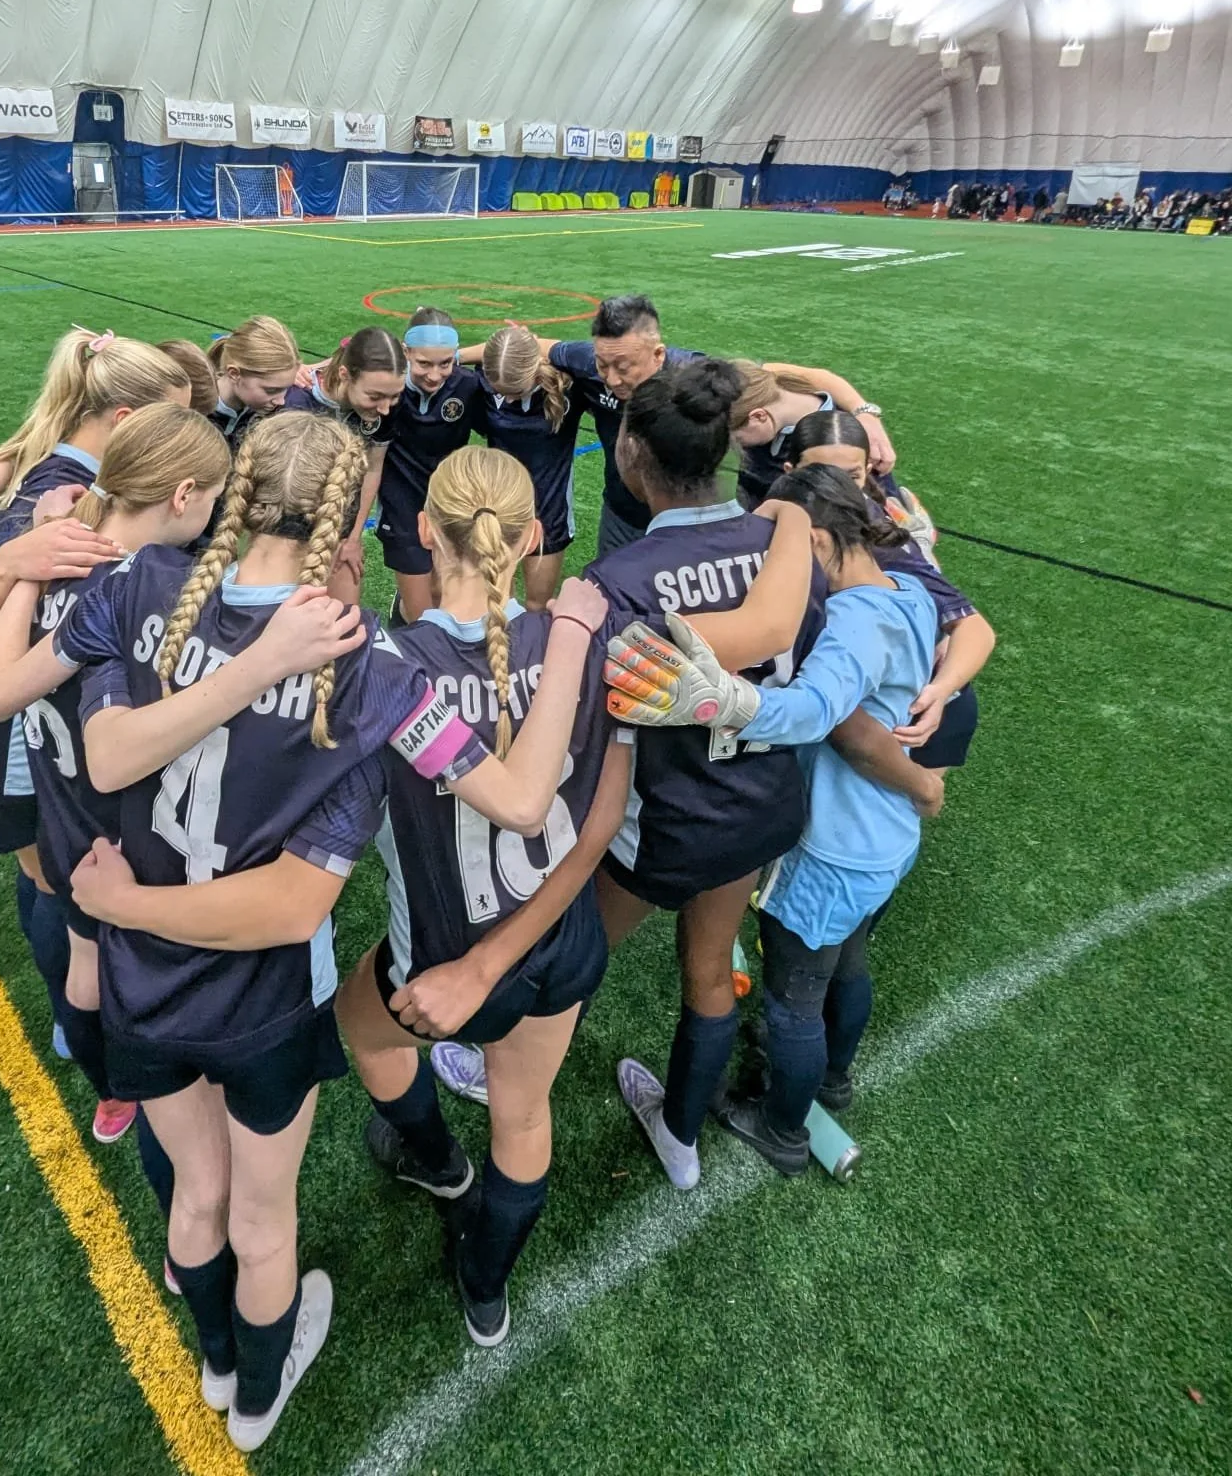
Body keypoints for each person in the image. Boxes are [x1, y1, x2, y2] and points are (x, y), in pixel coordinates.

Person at [32, 411, 600, 1446]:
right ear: (357, 527)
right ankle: (256, 1397)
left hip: (139, 979)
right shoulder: (372, 666)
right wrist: (567, 634)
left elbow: (99, 754)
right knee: (258, 1215)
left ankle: (215, 1363)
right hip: (259, 997)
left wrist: (119, 909)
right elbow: (520, 805)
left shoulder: (143, 581)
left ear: (233, 491)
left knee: (194, 1203)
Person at [337, 445, 630, 1346]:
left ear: (425, 532)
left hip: (448, 957)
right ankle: (486, 1287)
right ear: (534, 536)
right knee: (524, 1109)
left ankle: (435, 1162)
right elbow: (598, 824)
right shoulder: (592, 641)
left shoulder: (385, 665)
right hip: (561, 941)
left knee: (355, 1022)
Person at [604, 464, 948, 1175]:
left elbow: (833, 720)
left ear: (818, 541)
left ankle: (784, 1126)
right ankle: (832, 1081)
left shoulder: (850, 622)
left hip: (835, 842)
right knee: (846, 966)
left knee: (795, 995)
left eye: (785, 554)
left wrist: (726, 702)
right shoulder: (906, 589)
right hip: (884, 837)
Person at [0, 403, 233, 1145]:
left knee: (85, 971)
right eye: (210, 496)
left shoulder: (59, 555)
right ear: (182, 496)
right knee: (157, 975)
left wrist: (25, 564)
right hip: (130, 830)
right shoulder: (143, 587)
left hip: (62, 818)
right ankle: (161, 1096)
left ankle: (111, 1094)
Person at [0, 329, 189, 1053]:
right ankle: (81, 1029)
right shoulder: (57, 498)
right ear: (128, 422)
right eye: (171, 421)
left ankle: (79, 1019)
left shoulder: (61, 472)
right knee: (59, 891)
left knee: (55, 885)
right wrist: (10, 564)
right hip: (11, 741)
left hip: (18, 733)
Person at [466, 296, 892, 554]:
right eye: (603, 364)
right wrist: (444, 358)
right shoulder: (589, 361)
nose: (611, 378)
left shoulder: (694, 373)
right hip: (621, 512)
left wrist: (865, 413)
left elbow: (802, 376)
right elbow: (534, 345)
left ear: (658, 355)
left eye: (624, 366)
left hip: (685, 516)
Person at [781, 411, 995, 770]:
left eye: (852, 475)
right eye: (821, 473)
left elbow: (975, 628)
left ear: (867, 472)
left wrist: (939, 693)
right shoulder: (788, 513)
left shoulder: (874, 543)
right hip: (853, 706)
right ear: (789, 471)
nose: (838, 488)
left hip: (911, 716)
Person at [285, 327, 408, 604]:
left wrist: (353, 539)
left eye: (395, 396)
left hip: (341, 531)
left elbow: (373, 469)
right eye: (374, 397)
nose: (386, 408)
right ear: (344, 375)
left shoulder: (383, 402)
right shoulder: (297, 400)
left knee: (344, 618)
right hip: (290, 531)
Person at [375, 308, 479, 623]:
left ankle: (404, 612)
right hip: (401, 506)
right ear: (406, 353)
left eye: (445, 363)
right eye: (423, 363)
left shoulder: (468, 386)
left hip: (447, 505)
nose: (434, 375)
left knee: (442, 596)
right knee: (423, 616)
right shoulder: (387, 389)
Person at [475, 324, 584, 610]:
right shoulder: (482, 378)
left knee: (537, 605)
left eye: (516, 391)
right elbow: (448, 360)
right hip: (500, 508)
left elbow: (593, 356)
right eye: (502, 392)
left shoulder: (568, 386)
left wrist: (538, 343)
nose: (509, 399)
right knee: (498, 603)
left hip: (550, 510)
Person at [727, 360, 892, 512]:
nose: (732, 447)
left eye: (737, 440)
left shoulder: (841, 445)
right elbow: (772, 369)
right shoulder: (759, 385)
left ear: (758, 417)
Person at [204, 317, 301, 450]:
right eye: (271, 391)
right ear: (234, 374)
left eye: (286, 389)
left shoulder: (263, 410)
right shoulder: (196, 413)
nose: (281, 401)